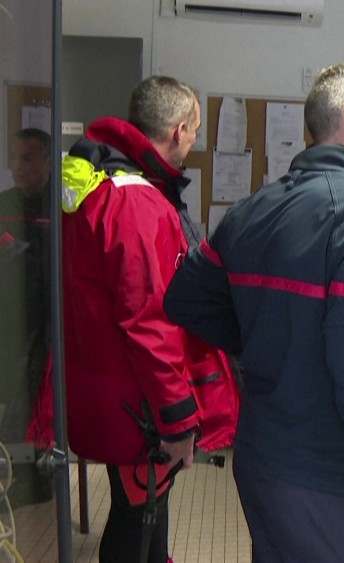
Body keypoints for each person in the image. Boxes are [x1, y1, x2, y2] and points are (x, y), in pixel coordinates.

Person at [163, 62, 344, 562]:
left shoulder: (251, 210)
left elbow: (186, 299)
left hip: (261, 462)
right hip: (331, 482)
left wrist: (269, 339)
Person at [61, 76, 240, 563]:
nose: (194, 142)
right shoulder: (137, 202)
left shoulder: (101, 184)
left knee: (142, 511)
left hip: (109, 387)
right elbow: (148, 321)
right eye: (195, 131)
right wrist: (178, 419)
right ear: (180, 131)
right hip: (138, 403)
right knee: (136, 517)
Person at [0, 128, 53, 508]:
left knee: (36, 400)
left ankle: (36, 480)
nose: (19, 166)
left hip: (47, 324)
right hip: (8, 320)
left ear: (48, 162)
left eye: (28, 158)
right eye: (15, 157)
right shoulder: (4, 205)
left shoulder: (59, 207)